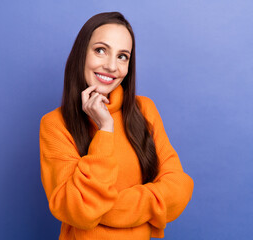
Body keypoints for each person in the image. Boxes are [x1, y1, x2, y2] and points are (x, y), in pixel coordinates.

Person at [39, 12, 194, 240]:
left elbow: (179, 188)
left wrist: (106, 208)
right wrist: (105, 129)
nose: (112, 66)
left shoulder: (145, 110)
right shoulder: (55, 125)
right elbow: (77, 211)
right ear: (81, 54)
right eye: (100, 50)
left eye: (122, 56)